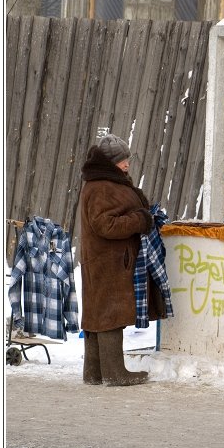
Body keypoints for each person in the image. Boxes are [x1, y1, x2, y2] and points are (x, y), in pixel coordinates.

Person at [78, 134, 156, 386]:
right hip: (108, 261)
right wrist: (139, 221)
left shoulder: (102, 182)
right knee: (109, 313)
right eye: (123, 160)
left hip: (104, 260)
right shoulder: (102, 186)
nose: (127, 164)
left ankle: (94, 372)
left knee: (98, 313)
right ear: (111, 162)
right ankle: (114, 373)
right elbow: (105, 225)